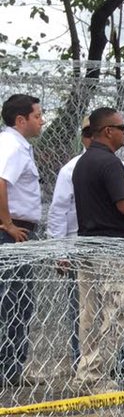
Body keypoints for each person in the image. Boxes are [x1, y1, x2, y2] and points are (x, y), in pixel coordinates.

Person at [72, 107, 124, 393]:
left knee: (90, 316)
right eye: (121, 127)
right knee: (116, 313)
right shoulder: (110, 163)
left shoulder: (83, 162)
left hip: (89, 246)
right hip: (113, 251)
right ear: (108, 131)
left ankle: (86, 373)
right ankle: (95, 376)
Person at [0, 94, 43, 387]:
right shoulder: (11, 146)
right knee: (11, 300)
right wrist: (8, 224)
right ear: (21, 120)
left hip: (18, 230)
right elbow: (0, 182)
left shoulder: (17, 146)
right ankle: (7, 369)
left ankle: (13, 368)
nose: (41, 121)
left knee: (20, 300)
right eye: (37, 116)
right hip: (13, 233)